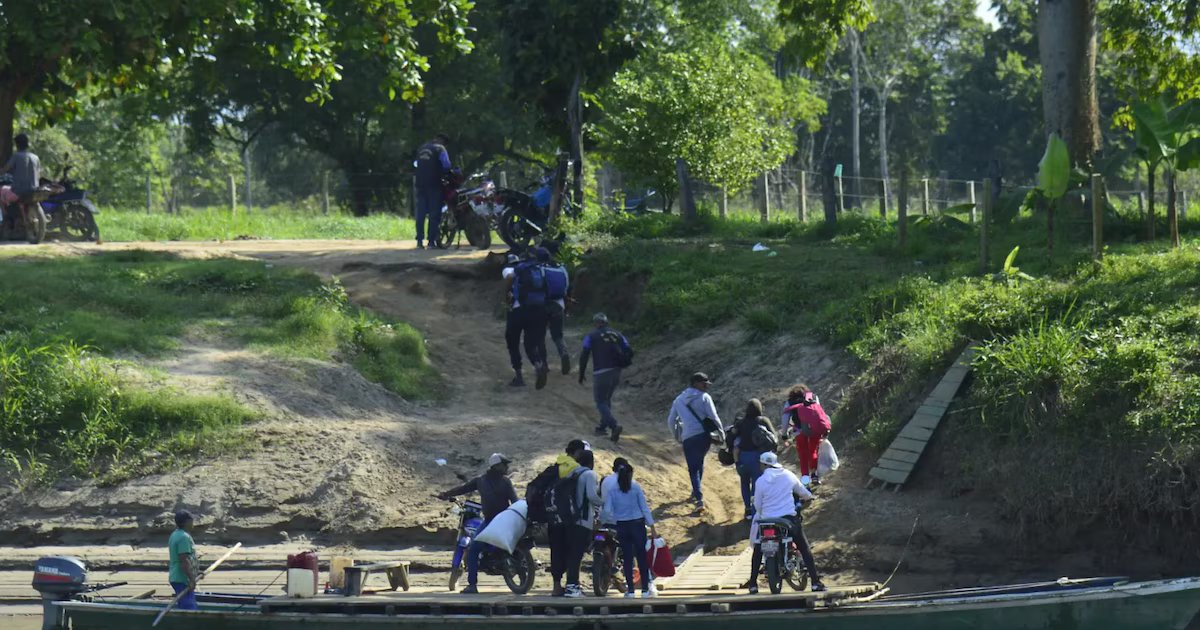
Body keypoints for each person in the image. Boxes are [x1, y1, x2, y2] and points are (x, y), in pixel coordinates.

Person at [437, 453, 518, 594]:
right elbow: (515, 501)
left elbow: (463, 489)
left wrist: (446, 494)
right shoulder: (505, 481)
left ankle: (472, 585)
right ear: (497, 466)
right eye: (505, 464)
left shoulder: (481, 480)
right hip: (506, 521)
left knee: (473, 550)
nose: (507, 467)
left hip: (490, 522)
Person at [744, 452, 825, 594]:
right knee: (804, 547)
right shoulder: (788, 475)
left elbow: (757, 505)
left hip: (767, 521)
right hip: (788, 520)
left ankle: (753, 584)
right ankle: (815, 582)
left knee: (758, 549)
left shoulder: (760, 481)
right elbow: (804, 494)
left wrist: (765, 514)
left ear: (763, 464)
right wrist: (808, 498)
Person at [665, 372, 724, 511]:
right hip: (704, 436)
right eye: (704, 383)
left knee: (693, 467)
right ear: (696, 383)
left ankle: (698, 498)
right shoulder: (704, 397)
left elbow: (671, 420)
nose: (706, 386)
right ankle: (696, 492)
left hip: (688, 437)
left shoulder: (679, 400)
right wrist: (721, 434)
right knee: (699, 462)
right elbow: (714, 417)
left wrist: (677, 435)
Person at [602, 460, 659, 598]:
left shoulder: (613, 490)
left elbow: (607, 510)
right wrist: (652, 527)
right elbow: (644, 508)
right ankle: (645, 589)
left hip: (622, 525)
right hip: (638, 525)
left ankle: (631, 590)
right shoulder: (636, 488)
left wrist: (601, 522)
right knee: (642, 557)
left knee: (627, 557)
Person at [553, 449, 600, 598]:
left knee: (571, 553)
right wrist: (606, 501)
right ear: (591, 462)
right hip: (583, 520)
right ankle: (572, 587)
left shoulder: (573, 473)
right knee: (576, 554)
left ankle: (571, 585)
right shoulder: (589, 474)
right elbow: (592, 496)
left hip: (569, 519)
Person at [579, 313, 633, 443]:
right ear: (606, 323)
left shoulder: (591, 336)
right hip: (616, 371)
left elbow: (584, 354)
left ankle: (614, 426)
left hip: (601, 371)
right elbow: (629, 350)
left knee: (600, 401)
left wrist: (581, 373)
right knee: (606, 399)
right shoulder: (618, 334)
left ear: (596, 323)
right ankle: (602, 427)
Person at [502, 250, 551, 388]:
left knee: (512, 342)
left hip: (518, 311)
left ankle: (519, 377)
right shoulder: (540, 270)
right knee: (530, 344)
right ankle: (538, 364)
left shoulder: (513, 270)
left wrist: (505, 296)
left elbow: (509, 278)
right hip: (538, 311)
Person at [728, 399, 778, 521]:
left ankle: (747, 509)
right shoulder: (763, 421)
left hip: (742, 457)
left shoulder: (740, 423)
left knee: (744, 483)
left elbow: (730, 438)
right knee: (757, 485)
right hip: (758, 458)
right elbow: (774, 438)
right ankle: (756, 512)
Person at [782, 384, 832, 484]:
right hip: (814, 430)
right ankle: (814, 476)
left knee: (803, 456)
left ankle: (805, 481)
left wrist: (784, 434)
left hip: (799, 432)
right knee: (813, 451)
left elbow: (785, 419)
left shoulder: (790, 402)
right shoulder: (813, 397)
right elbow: (820, 413)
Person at [414, 134, 452, 250]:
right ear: (442, 141)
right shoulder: (440, 149)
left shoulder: (422, 148)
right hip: (434, 184)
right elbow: (446, 165)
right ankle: (431, 242)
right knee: (434, 214)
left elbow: (415, 164)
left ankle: (419, 241)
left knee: (420, 214)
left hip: (420, 184)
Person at [539, 248, 572, 375]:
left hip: (542, 305)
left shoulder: (539, 269)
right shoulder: (561, 268)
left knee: (539, 336)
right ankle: (564, 353)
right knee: (558, 335)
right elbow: (567, 287)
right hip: (559, 305)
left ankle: (544, 364)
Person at [0, 133, 42, 224]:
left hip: (18, 191)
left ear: (17, 144)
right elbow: (38, 174)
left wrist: (2, 171)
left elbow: (5, 169)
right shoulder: (35, 157)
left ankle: (5, 220)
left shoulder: (16, 156)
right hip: (34, 189)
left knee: (1, 191)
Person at [167, 510, 199, 611]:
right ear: (186, 522)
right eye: (191, 520)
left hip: (177, 577)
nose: (193, 522)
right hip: (182, 579)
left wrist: (196, 573)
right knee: (189, 609)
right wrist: (192, 580)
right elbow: (184, 561)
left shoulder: (175, 534)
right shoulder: (183, 537)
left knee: (184, 606)